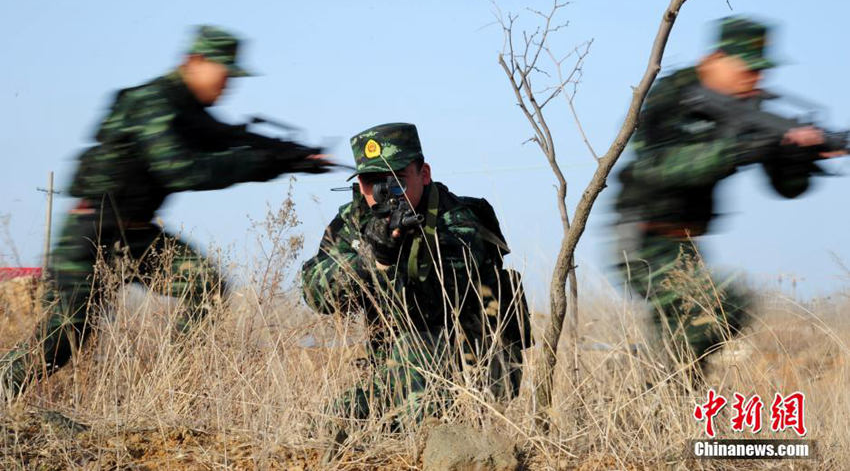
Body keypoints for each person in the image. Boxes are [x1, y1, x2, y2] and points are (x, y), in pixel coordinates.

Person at [1, 25, 332, 397]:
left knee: (205, 286)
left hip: (138, 235)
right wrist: (260, 161)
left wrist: (291, 156)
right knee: (63, 339)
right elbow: (179, 168)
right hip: (93, 232)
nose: (228, 85)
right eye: (224, 74)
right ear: (195, 62)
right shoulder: (154, 102)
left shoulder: (188, 110)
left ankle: (162, 388)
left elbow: (230, 137)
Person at [614, 16, 843, 381]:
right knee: (720, 306)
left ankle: (655, 403)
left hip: (686, 244)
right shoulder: (673, 94)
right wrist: (740, 148)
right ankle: (650, 388)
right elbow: (660, 166)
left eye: (760, 70)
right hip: (641, 235)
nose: (755, 78)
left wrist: (797, 156)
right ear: (716, 58)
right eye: (747, 68)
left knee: (695, 336)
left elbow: (787, 188)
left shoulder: (749, 110)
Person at [301, 123, 530, 427]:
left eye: (396, 180)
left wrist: (389, 254)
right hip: (398, 366)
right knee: (329, 423)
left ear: (424, 174)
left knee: (414, 379)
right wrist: (371, 257)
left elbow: (430, 307)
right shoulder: (354, 220)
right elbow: (315, 293)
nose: (384, 193)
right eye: (372, 182)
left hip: (474, 364)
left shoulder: (457, 221)